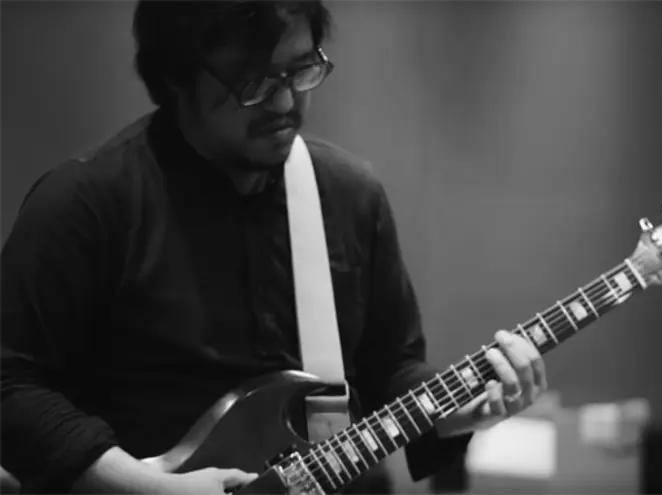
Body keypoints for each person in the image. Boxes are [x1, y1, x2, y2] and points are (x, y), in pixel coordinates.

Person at [0, 1, 548, 494]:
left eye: (302, 70)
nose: (286, 102)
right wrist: (143, 487)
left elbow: (392, 367)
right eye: (255, 82)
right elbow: (11, 386)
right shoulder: (85, 204)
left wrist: (459, 412)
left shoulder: (351, 196)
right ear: (175, 76)